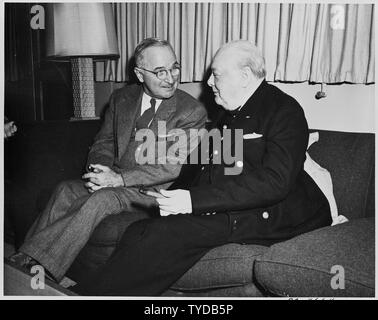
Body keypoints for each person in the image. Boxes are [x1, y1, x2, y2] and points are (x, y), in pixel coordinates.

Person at [73, 40, 332, 296]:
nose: (208, 83)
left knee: (161, 236)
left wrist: (192, 202)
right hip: (236, 204)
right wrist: (169, 195)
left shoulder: (284, 110)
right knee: (138, 230)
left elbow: (275, 182)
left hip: (276, 214)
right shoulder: (228, 114)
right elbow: (203, 167)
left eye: (216, 75)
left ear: (244, 76)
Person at [9, 38, 207, 283]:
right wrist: (98, 171)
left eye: (174, 67)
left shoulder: (190, 112)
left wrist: (118, 179)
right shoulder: (122, 98)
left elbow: (172, 166)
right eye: (160, 71)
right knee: (66, 189)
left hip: (152, 191)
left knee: (102, 199)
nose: (171, 77)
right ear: (139, 74)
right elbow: (104, 142)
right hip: (114, 178)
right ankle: (26, 255)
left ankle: (44, 268)